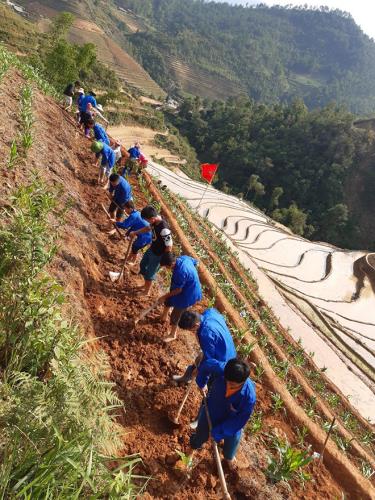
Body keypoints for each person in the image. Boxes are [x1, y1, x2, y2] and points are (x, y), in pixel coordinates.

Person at [190, 358, 256, 465]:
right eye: (227, 382)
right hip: (212, 409)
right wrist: (202, 382)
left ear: (243, 381)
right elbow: (206, 364)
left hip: (231, 421)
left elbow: (238, 421)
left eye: (233, 386)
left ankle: (229, 459)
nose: (229, 386)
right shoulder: (221, 368)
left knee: (230, 449)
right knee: (200, 435)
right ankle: (191, 451)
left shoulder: (249, 397)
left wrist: (217, 433)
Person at [174, 308, 237, 386]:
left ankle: (208, 394)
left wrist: (201, 383)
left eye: (191, 330)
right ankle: (187, 377)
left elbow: (209, 362)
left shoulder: (206, 334)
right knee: (199, 360)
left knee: (212, 380)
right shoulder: (210, 312)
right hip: (227, 347)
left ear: (196, 325)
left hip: (223, 360)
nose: (192, 332)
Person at [157, 253, 202, 342]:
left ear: (172, 264)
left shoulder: (180, 272)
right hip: (186, 287)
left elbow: (178, 290)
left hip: (189, 294)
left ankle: (173, 334)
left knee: (175, 314)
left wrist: (163, 296)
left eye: (166, 267)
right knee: (168, 300)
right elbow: (196, 263)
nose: (166, 268)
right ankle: (164, 317)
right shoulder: (183, 258)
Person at [129, 205, 172, 296]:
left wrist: (165, 258)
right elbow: (148, 228)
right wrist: (136, 232)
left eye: (147, 220)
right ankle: (145, 285)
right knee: (143, 264)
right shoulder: (154, 221)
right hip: (152, 249)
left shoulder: (164, 229)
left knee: (150, 273)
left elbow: (169, 245)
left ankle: (146, 292)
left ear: (152, 218)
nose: (147, 222)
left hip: (158, 254)